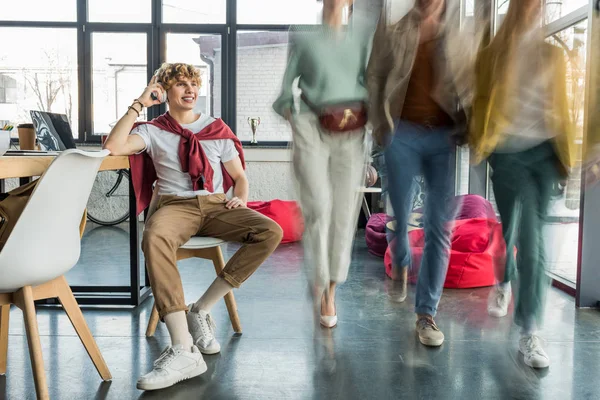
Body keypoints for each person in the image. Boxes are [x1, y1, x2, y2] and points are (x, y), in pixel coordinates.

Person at [103, 63, 283, 390]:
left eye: (194, 84)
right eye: (181, 84)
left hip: (216, 204)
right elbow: (113, 147)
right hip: (176, 205)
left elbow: (239, 178)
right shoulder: (152, 130)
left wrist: (240, 198)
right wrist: (140, 102)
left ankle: (201, 309)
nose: (190, 90)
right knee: (154, 237)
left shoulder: (215, 128)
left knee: (271, 231)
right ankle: (183, 347)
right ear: (166, 91)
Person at [469, 0, 574, 368]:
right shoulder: (493, 54)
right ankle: (515, 303)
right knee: (518, 235)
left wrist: (569, 155)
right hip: (509, 152)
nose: (535, 5)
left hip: (545, 155)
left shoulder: (553, 55)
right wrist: (478, 141)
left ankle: (520, 310)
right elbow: (479, 101)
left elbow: (563, 108)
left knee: (530, 237)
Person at [367, 0, 471, 347]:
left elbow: (472, 83)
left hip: (443, 137)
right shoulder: (396, 29)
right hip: (404, 133)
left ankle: (426, 314)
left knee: (438, 225)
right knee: (399, 205)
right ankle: (399, 258)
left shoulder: (458, 35)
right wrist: (381, 127)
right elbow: (375, 77)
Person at [273, 0, 370, 328]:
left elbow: (373, 85)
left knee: (344, 212)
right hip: (312, 124)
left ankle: (330, 288)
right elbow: (287, 88)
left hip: (351, 130)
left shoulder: (362, 39)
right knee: (318, 206)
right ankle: (319, 275)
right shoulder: (303, 36)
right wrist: (291, 114)